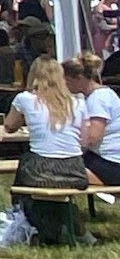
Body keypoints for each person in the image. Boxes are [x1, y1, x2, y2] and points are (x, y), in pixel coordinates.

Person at [7, 55, 89, 243]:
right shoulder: (78, 102)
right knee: (55, 194)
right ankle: (70, 231)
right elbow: (84, 142)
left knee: (23, 177)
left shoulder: (25, 99)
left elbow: (9, 126)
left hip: (42, 167)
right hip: (74, 169)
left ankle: (38, 229)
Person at [67, 53, 120, 186]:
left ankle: (100, 183)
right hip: (109, 160)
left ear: (79, 78)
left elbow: (93, 138)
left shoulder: (98, 98)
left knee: (60, 164)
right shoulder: (98, 95)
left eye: (66, 80)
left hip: (112, 163)